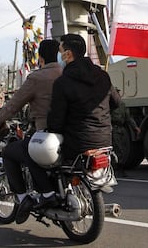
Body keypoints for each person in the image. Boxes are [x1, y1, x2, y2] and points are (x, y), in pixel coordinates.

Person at [31, 34, 119, 224]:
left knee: (40, 157)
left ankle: (48, 196)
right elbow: (116, 102)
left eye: (60, 51)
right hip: (105, 140)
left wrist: (52, 128)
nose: (59, 56)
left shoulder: (63, 83)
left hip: (78, 142)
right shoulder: (103, 76)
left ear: (68, 55)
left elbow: (56, 120)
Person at [0, 39, 63, 222]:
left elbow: (14, 104)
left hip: (44, 131)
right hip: (70, 132)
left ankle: (24, 197)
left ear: (41, 57)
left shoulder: (37, 78)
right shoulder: (66, 74)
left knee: (11, 152)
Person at [111, 88, 140, 178]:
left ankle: (120, 169)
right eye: (116, 93)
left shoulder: (122, 105)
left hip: (121, 128)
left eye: (118, 93)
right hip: (113, 128)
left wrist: (135, 127)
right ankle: (116, 169)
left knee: (122, 150)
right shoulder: (109, 105)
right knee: (117, 150)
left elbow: (128, 118)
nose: (118, 95)